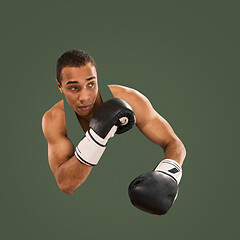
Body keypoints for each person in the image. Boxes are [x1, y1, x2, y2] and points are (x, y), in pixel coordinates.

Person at [42, 49, 186, 215]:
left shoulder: (129, 99)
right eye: (74, 88)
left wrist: (167, 176)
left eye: (91, 84)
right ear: (60, 86)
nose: (85, 96)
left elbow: (174, 143)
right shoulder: (55, 119)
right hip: (92, 211)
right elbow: (65, 184)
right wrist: (97, 136)